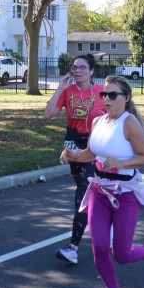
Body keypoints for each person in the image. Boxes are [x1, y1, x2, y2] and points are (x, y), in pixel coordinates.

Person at [59, 76, 144, 288]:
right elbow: (91, 152)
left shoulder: (129, 124)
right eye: (104, 94)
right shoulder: (98, 121)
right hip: (99, 193)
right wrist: (73, 156)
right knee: (99, 248)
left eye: (112, 95)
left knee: (122, 254)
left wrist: (121, 162)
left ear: (126, 98)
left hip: (125, 196)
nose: (106, 99)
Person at [45, 55, 106, 265]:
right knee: (90, 196)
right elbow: (48, 114)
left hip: (94, 148)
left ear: (91, 70)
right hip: (73, 147)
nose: (77, 70)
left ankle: (73, 248)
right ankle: (108, 224)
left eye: (82, 67)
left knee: (82, 196)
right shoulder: (68, 91)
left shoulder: (101, 92)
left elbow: (115, 118)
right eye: (74, 67)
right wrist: (60, 89)